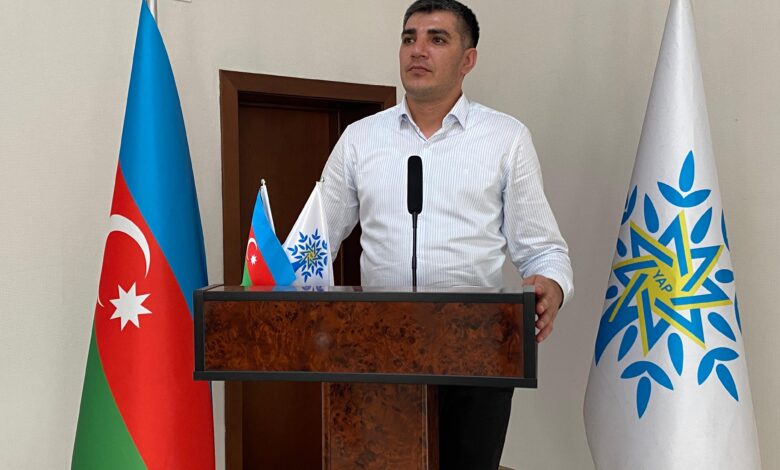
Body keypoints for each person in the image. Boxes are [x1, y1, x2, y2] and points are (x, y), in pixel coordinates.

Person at [320, 1, 573, 468]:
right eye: (409, 38)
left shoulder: (505, 138)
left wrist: (551, 287)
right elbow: (314, 244)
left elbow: (543, 249)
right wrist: (276, 285)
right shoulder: (359, 138)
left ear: (467, 60)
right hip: (378, 346)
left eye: (437, 39)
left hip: (476, 347)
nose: (418, 50)